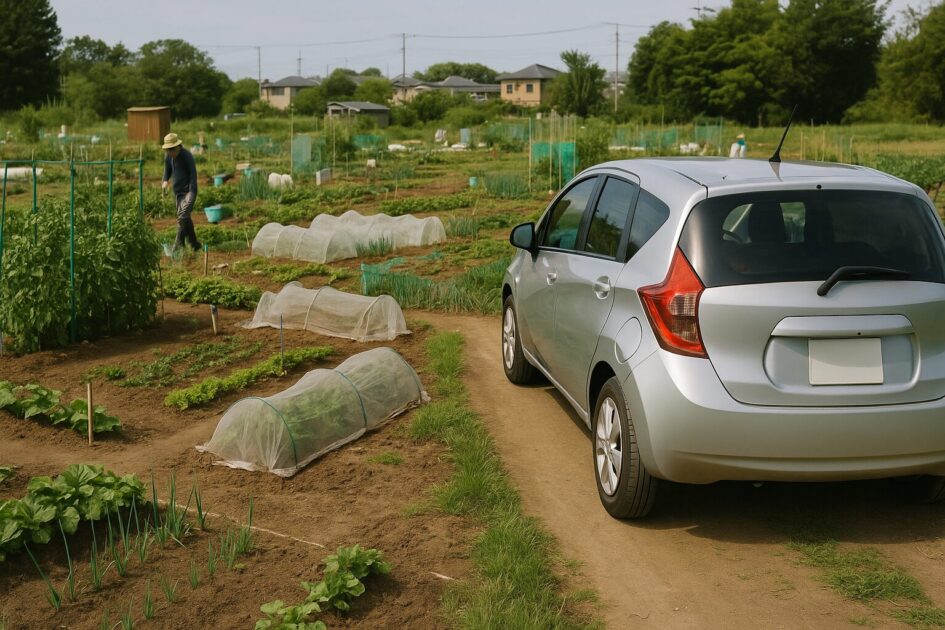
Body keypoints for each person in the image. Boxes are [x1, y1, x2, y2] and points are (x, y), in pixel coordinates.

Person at [161, 132, 202, 252]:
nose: (170, 152)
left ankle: (178, 243)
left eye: (171, 149)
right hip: (177, 193)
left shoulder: (187, 156)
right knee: (186, 218)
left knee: (182, 217)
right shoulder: (169, 157)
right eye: (167, 150)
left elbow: (193, 175)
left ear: (178, 147)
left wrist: (192, 192)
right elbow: (167, 170)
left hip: (189, 191)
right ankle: (194, 243)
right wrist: (165, 181)